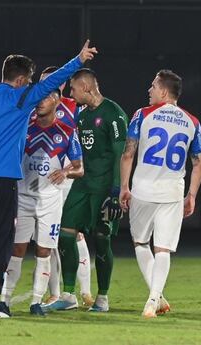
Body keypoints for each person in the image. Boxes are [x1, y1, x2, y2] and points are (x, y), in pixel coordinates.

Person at [0, 40, 98, 318]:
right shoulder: (20, 97)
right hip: (2, 182)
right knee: (1, 243)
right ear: (23, 79)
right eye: (29, 81)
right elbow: (55, 81)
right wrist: (79, 59)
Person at [119, 70, 201, 318]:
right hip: (172, 192)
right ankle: (155, 299)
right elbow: (198, 163)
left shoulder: (142, 115)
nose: (150, 90)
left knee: (140, 243)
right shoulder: (193, 122)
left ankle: (154, 298)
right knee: (164, 249)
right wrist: (192, 195)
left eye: (153, 86)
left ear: (164, 92)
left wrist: (124, 186)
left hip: (144, 190)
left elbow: (128, 153)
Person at [45, 68, 128, 313]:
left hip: (104, 187)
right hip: (82, 184)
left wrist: (116, 190)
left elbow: (121, 154)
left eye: (73, 89)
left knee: (102, 240)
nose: (71, 93)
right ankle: (69, 294)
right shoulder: (81, 115)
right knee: (65, 233)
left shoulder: (113, 114)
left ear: (87, 88)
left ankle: (102, 298)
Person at [0, 89, 84, 316]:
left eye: (46, 98)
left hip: (50, 201)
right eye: (39, 98)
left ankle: (36, 302)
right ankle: (4, 299)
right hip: (23, 198)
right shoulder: (25, 126)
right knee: (16, 249)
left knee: (44, 250)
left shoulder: (67, 132)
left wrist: (66, 172)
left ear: (57, 101)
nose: (39, 102)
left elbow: (79, 167)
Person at [37, 67, 94, 307]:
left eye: (49, 81)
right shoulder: (35, 107)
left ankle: (85, 291)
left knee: (73, 233)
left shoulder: (74, 107)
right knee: (48, 237)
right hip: (45, 180)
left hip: (68, 179)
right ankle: (56, 292)